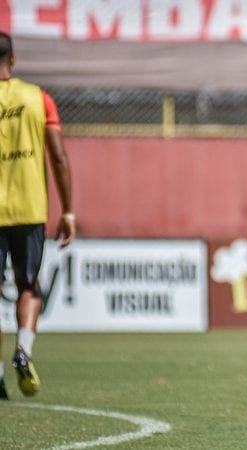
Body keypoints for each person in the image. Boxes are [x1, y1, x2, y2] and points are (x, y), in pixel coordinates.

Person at [0, 31, 76, 399]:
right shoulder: (38, 98)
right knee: (28, 286)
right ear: (12, 60)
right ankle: (23, 351)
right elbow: (59, 157)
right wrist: (70, 211)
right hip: (29, 209)